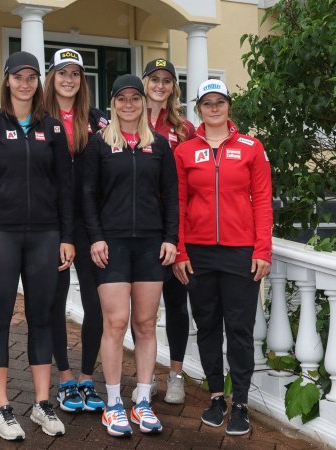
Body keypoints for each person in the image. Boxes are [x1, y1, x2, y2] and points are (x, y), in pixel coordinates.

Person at [0, 51, 73, 441]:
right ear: (7, 80)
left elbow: (65, 187)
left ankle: (42, 404)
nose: (25, 83)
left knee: (42, 317)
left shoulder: (54, 129)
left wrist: (66, 237)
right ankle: (2, 407)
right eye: (19, 77)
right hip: (3, 235)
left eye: (32, 77)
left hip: (46, 235)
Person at [172, 79, 272, 436]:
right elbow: (179, 204)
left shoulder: (251, 147)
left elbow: (261, 199)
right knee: (208, 325)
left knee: (240, 329)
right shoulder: (184, 151)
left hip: (240, 252)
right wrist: (180, 250)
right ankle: (217, 395)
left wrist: (262, 249)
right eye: (207, 103)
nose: (214, 108)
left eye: (220, 102)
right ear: (198, 108)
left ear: (229, 106)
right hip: (198, 252)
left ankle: (241, 402)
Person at [82, 74, 178, 437]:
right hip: (113, 244)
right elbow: (88, 196)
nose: (128, 104)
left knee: (145, 324)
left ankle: (141, 401)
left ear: (142, 103)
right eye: (121, 99)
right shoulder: (99, 145)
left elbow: (170, 196)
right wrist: (95, 238)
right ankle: (112, 403)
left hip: (151, 245)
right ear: (113, 103)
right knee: (116, 322)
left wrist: (171, 238)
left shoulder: (161, 146)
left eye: (134, 98)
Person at [42, 48, 108, 414]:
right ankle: (65, 379)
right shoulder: (38, 118)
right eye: (62, 73)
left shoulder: (96, 120)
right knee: (55, 301)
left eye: (76, 74)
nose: (69, 79)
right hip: (52, 224)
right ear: (51, 77)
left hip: (89, 224)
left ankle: (86, 378)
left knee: (95, 302)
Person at [130, 58, 197, 405]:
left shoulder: (184, 128)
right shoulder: (129, 121)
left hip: (173, 225)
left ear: (173, 87)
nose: (159, 85)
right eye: (153, 79)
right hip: (139, 225)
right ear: (144, 83)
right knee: (141, 309)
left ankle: (175, 375)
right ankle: (147, 376)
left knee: (175, 302)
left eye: (166, 80)